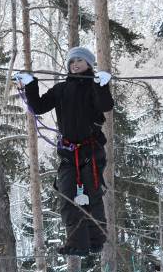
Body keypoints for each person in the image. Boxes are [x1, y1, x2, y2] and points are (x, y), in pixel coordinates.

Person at [15, 47, 114, 256]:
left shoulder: (94, 87)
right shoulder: (61, 89)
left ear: (89, 64)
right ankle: (77, 244)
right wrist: (30, 84)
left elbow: (105, 105)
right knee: (67, 196)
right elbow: (39, 107)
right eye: (72, 61)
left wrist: (103, 85)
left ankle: (96, 240)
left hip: (91, 151)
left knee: (92, 195)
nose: (75, 64)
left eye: (80, 60)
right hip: (68, 153)